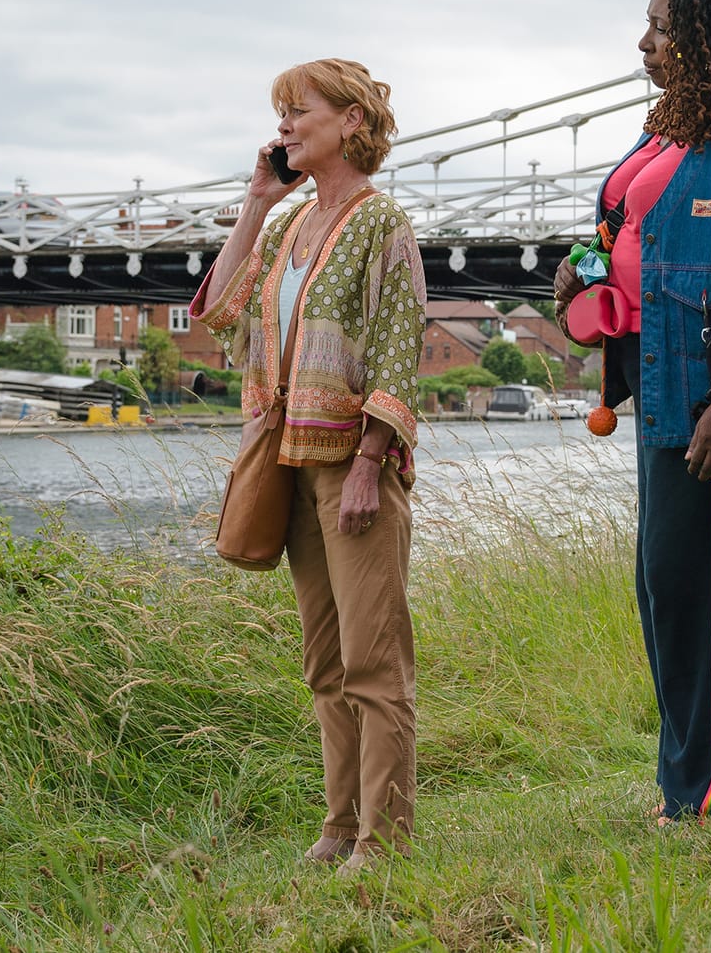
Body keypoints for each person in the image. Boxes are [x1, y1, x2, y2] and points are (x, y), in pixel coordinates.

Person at [191, 58, 426, 872]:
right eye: (281, 114)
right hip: (289, 462)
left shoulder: (381, 222)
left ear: (352, 122)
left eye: (301, 111)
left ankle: (384, 837)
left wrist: (370, 461)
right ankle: (337, 825)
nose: (285, 125)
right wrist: (258, 200)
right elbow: (223, 310)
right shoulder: (292, 227)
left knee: (374, 657)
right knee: (326, 660)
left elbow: (397, 352)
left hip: (351, 468)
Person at [553, 0, 711, 826]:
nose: (645, 42)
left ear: (709, 31)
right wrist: (584, 270)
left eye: (664, 27)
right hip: (653, 383)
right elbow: (622, 231)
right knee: (660, 584)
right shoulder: (665, 127)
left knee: (698, 588)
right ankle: (694, 777)